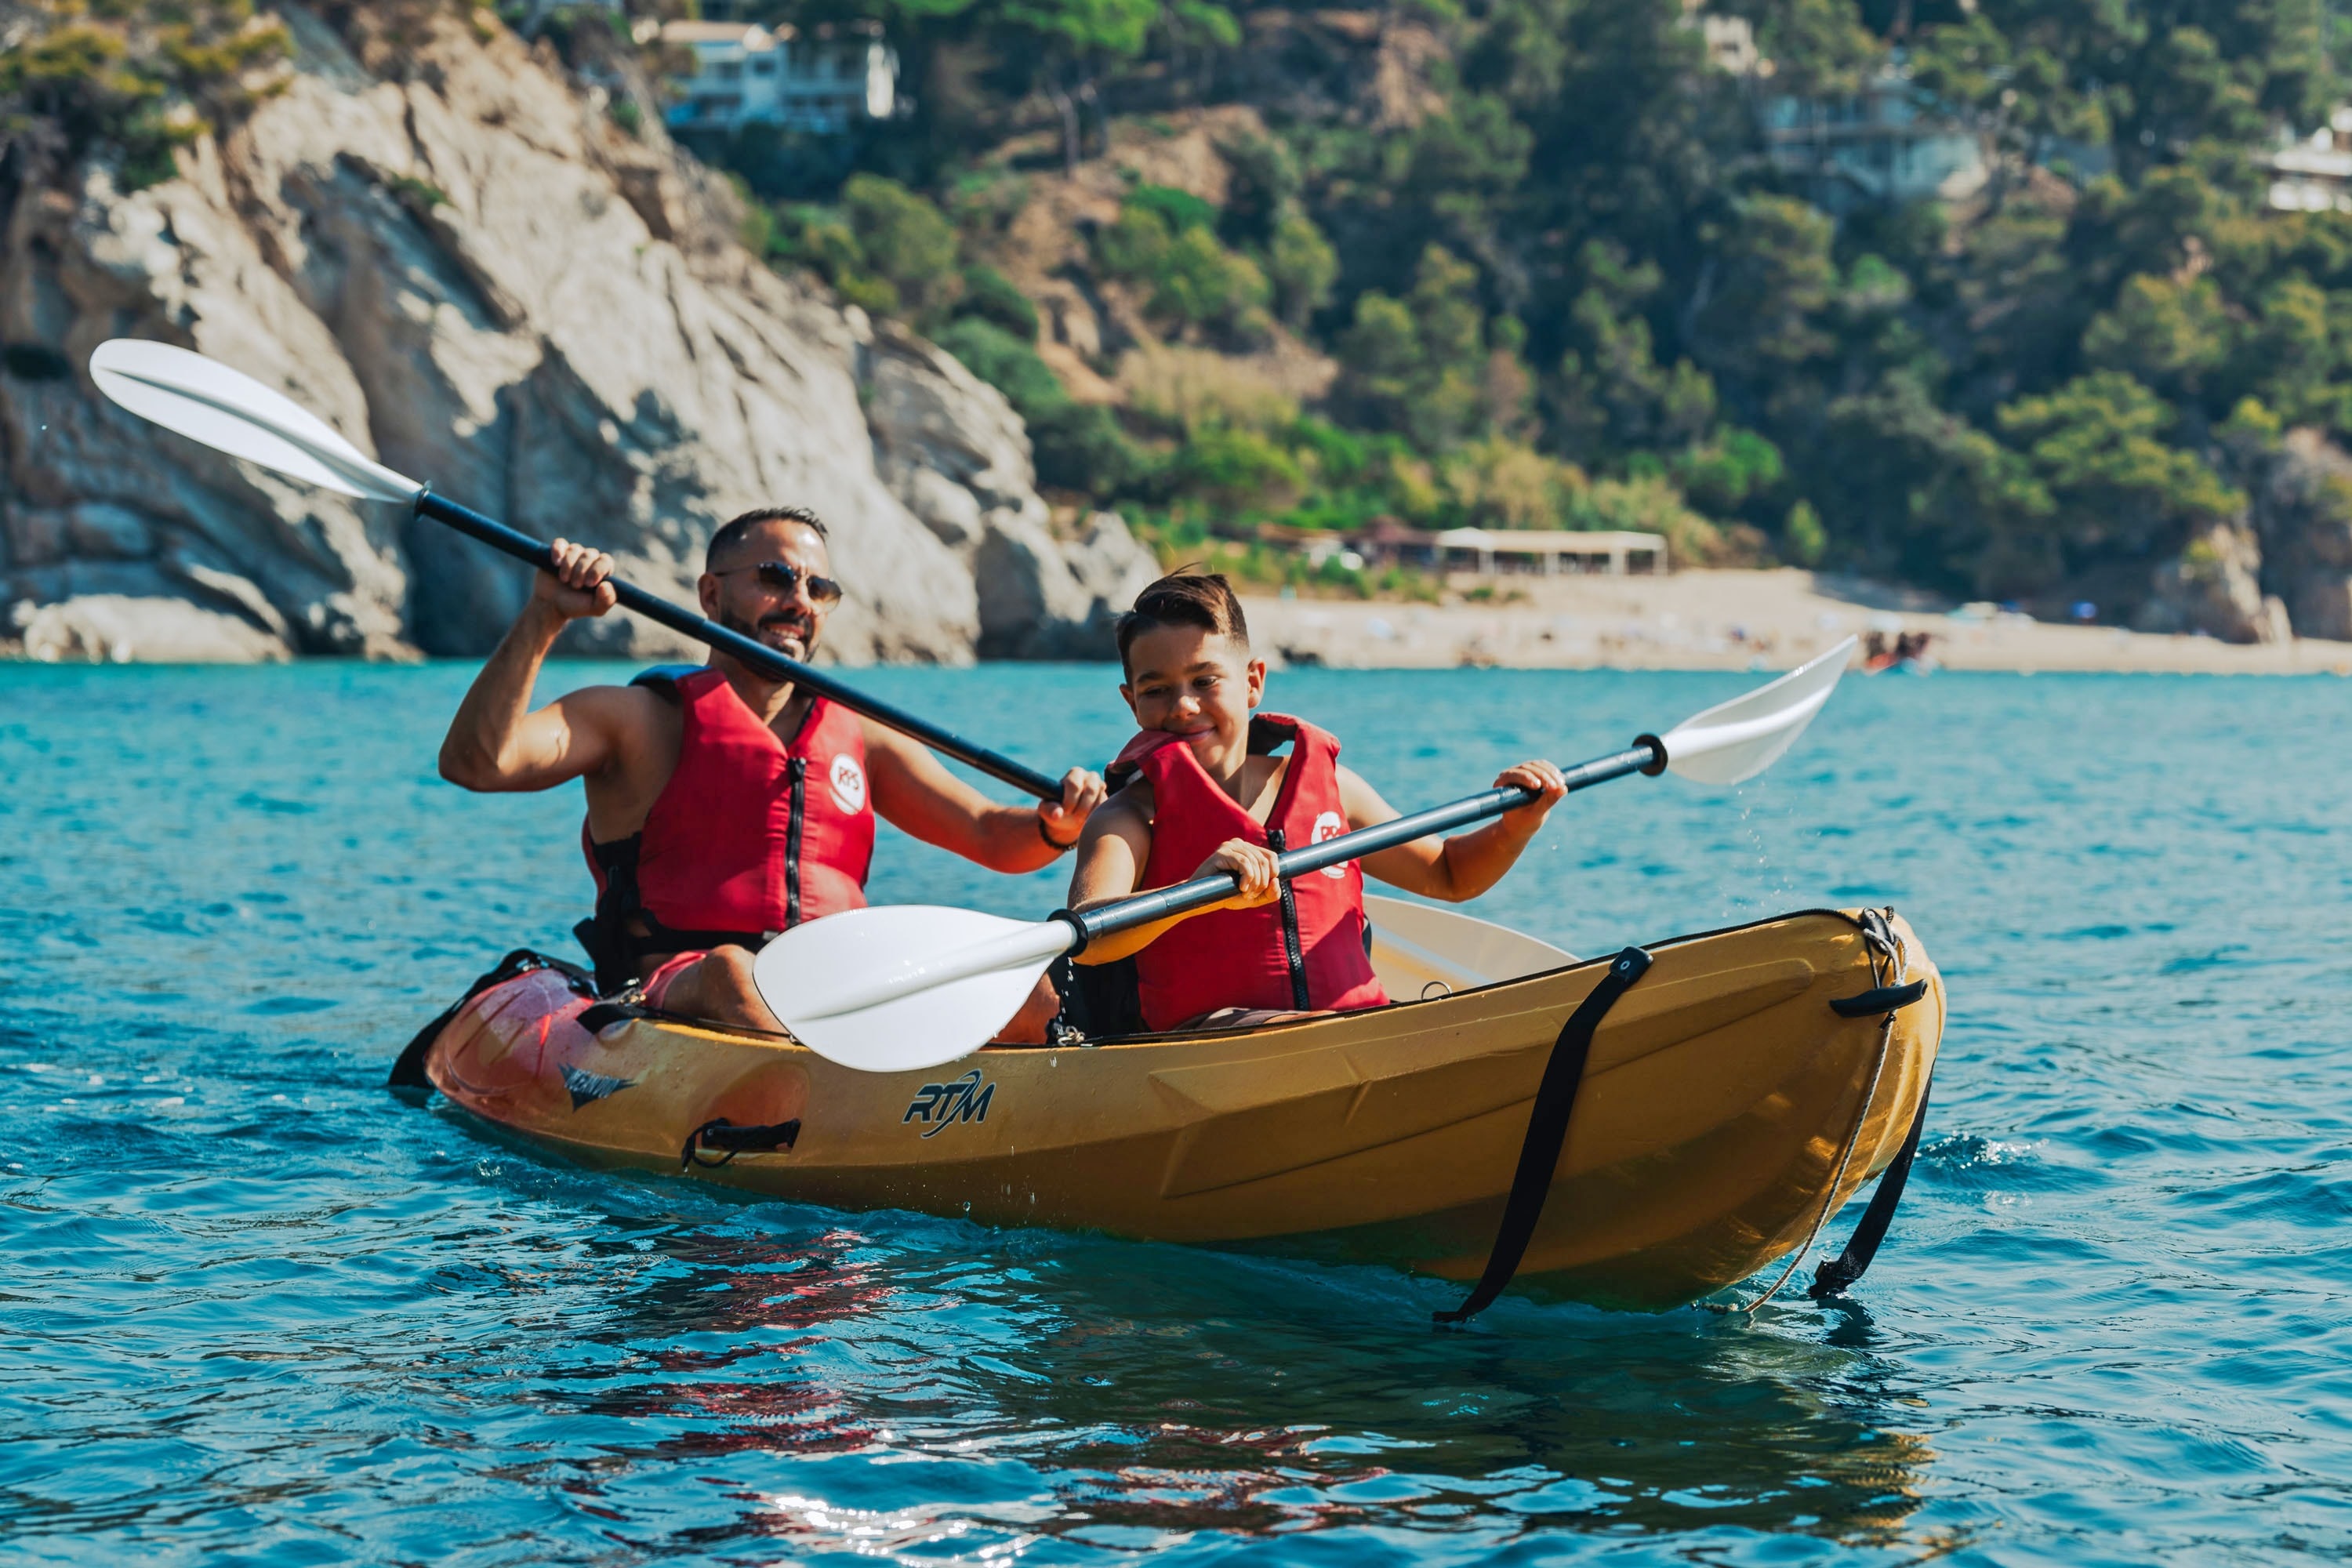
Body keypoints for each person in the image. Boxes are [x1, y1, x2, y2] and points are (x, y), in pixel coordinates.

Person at [438, 505, 1105, 1040]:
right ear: (710, 592)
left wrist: (1058, 824)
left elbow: (989, 834)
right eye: (774, 578)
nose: (799, 600)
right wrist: (546, 616)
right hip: (676, 986)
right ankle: (837, 1108)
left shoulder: (857, 733)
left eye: (818, 588)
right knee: (735, 972)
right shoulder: (638, 719)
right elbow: (478, 763)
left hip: (837, 983)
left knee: (1031, 990)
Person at [1064, 572, 1568, 1033]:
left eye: (1205, 680)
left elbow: (1450, 874)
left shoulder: (1333, 788)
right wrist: (1191, 891)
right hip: (1208, 1044)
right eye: (1157, 689)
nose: (1184, 705)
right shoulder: (1128, 817)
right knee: (1309, 1036)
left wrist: (1514, 828)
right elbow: (1091, 934)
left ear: (1254, 681)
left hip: (1351, 1030)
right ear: (1132, 702)